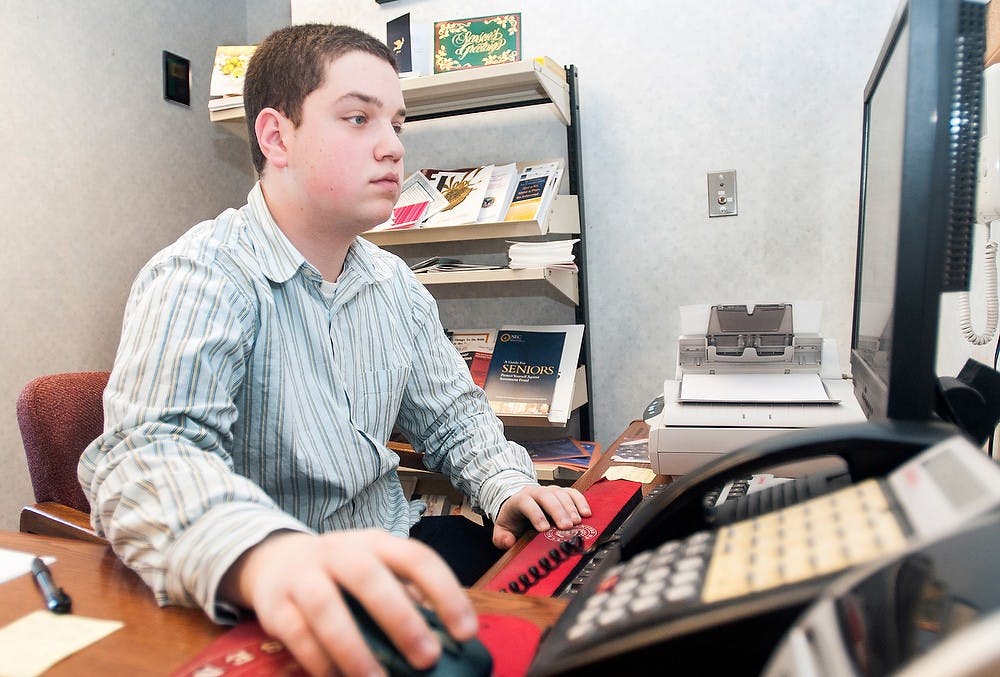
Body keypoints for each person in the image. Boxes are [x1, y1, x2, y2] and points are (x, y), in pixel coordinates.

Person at [78, 22, 591, 677]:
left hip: (389, 550)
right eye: (357, 118)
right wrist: (264, 555)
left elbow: (454, 416)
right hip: (267, 592)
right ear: (275, 136)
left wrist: (508, 483)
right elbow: (145, 460)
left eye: (398, 124)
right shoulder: (201, 275)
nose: (392, 148)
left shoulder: (394, 284)